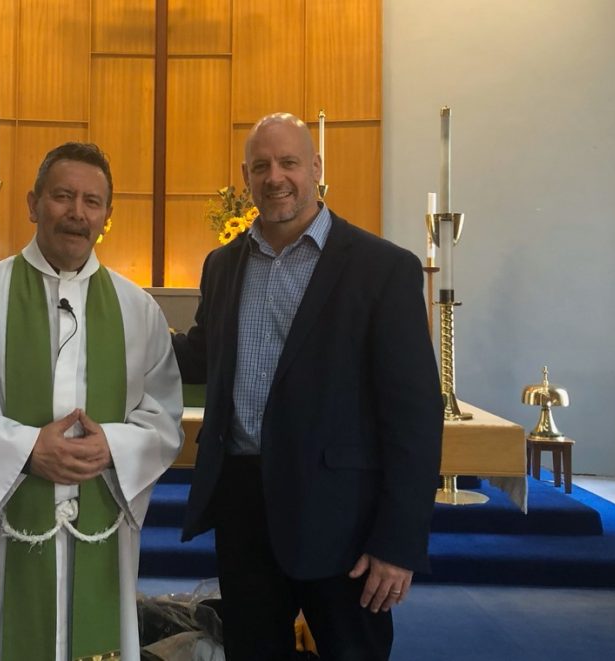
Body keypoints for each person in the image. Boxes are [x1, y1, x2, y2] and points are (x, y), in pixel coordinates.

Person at [173, 113, 443, 660]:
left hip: (342, 517)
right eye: (261, 166)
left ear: (315, 169)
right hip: (244, 506)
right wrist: (110, 327)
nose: (276, 177)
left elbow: (414, 414)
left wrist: (398, 542)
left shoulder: (381, 268)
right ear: (245, 178)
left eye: (289, 162)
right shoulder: (224, 265)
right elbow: (201, 354)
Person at [0, 142, 183, 661]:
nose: (77, 213)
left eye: (92, 201)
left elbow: (161, 412)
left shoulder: (138, 309)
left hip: (100, 529)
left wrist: (115, 446)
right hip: (0, 533)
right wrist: (25, 449)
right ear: (33, 203)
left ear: (107, 214)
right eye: (63, 196)